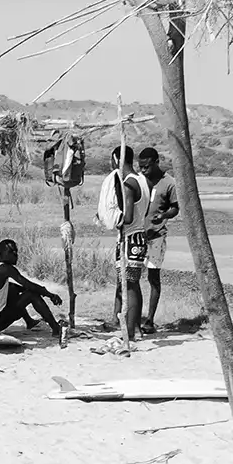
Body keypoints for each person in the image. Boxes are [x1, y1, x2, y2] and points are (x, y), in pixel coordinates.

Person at [102, 144, 151, 349]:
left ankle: (129, 332)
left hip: (130, 238)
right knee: (133, 284)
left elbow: (128, 217)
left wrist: (112, 218)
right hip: (140, 236)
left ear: (117, 159)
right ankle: (136, 327)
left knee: (129, 286)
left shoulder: (129, 184)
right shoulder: (142, 180)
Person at [0, 239, 65, 347]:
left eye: (16, 251)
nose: (15, 254)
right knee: (32, 294)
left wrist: (35, 291)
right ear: (2, 253)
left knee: (13, 289)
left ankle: (29, 321)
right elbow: (28, 284)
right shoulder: (6, 269)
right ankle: (56, 328)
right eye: (12, 252)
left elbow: (19, 287)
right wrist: (50, 295)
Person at [135, 145, 179, 334]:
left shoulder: (169, 183)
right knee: (131, 276)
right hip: (137, 235)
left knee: (153, 278)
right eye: (141, 167)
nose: (143, 170)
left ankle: (150, 320)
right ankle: (132, 317)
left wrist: (164, 216)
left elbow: (175, 207)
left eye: (147, 166)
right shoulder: (139, 180)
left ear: (156, 162)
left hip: (156, 236)